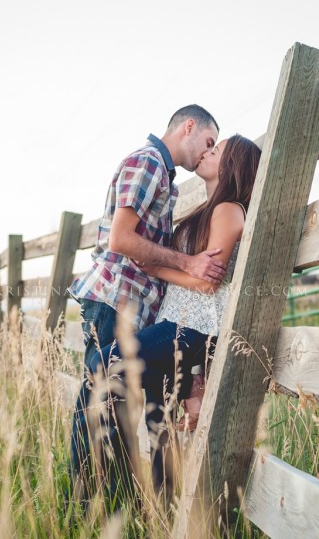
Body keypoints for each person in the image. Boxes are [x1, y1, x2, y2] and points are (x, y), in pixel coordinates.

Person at [88, 134, 261, 499]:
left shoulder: (229, 210)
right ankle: (161, 508)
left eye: (217, 149)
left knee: (106, 364)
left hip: (192, 326)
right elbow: (196, 273)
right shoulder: (208, 209)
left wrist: (155, 267)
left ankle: (98, 489)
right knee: (158, 416)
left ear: (234, 166)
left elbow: (207, 285)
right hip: (176, 323)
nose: (208, 151)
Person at [67, 105, 226, 503]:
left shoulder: (165, 179)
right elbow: (121, 240)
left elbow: (147, 255)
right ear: (188, 127)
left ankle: (116, 508)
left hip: (130, 306)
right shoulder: (150, 161)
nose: (206, 153)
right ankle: (85, 507)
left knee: (115, 413)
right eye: (208, 142)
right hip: (114, 301)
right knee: (101, 406)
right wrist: (189, 262)